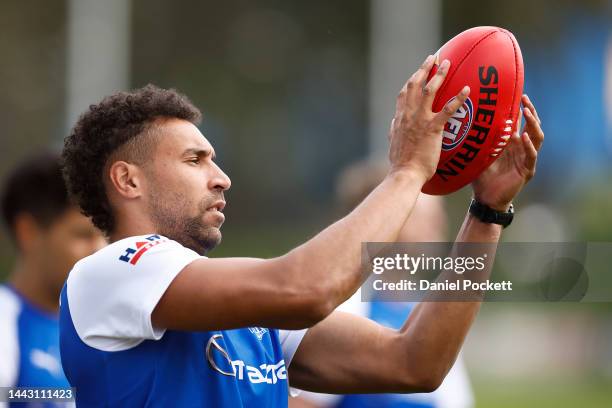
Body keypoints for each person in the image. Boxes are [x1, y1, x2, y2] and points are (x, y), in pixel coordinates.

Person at [59, 55, 544, 407]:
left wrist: (487, 212)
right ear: (127, 180)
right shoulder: (110, 273)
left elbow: (415, 363)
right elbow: (306, 289)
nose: (221, 177)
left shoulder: (249, 315)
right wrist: (407, 171)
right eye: (194, 159)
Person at [291, 161, 473, 408]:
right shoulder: (340, 305)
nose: (438, 222)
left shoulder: (428, 309)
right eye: (421, 214)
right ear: (378, 218)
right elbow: (303, 402)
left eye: (437, 213)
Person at [0, 151, 106, 407]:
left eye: (106, 235)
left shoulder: (110, 330)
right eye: (83, 235)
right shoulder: (6, 321)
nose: (100, 249)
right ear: (29, 231)